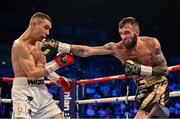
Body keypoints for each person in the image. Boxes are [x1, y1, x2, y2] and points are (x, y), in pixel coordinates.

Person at [41, 17, 169, 118]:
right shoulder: (116, 48)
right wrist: (60, 46)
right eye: (121, 33)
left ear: (137, 31)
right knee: (154, 113)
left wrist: (141, 69)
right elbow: (87, 51)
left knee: (142, 115)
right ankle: (161, 108)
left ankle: (160, 105)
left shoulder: (152, 43)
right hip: (140, 89)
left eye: (127, 33)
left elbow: (164, 70)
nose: (123, 37)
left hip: (158, 83)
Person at [11, 12, 74, 119]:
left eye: (49, 29)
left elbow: (42, 69)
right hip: (23, 92)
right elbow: (32, 74)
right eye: (45, 28)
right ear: (34, 24)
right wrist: (58, 62)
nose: (48, 32)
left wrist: (57, 79)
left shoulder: (41, 44)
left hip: (41, 90)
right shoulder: (20, 45)